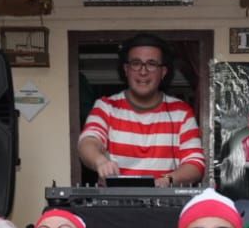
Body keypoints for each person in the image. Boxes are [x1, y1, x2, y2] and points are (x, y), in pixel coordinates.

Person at [78, 33, 205, 187]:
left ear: (163, 72)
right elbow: (87, 142)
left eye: (151, 64)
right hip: (114, 203)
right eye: (136, 63)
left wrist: (168, 179)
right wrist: (100, 161)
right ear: (126, 69)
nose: (143, 72)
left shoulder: (182, 112)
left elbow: (195, 164)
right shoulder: (106, 106)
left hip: (163, 204)